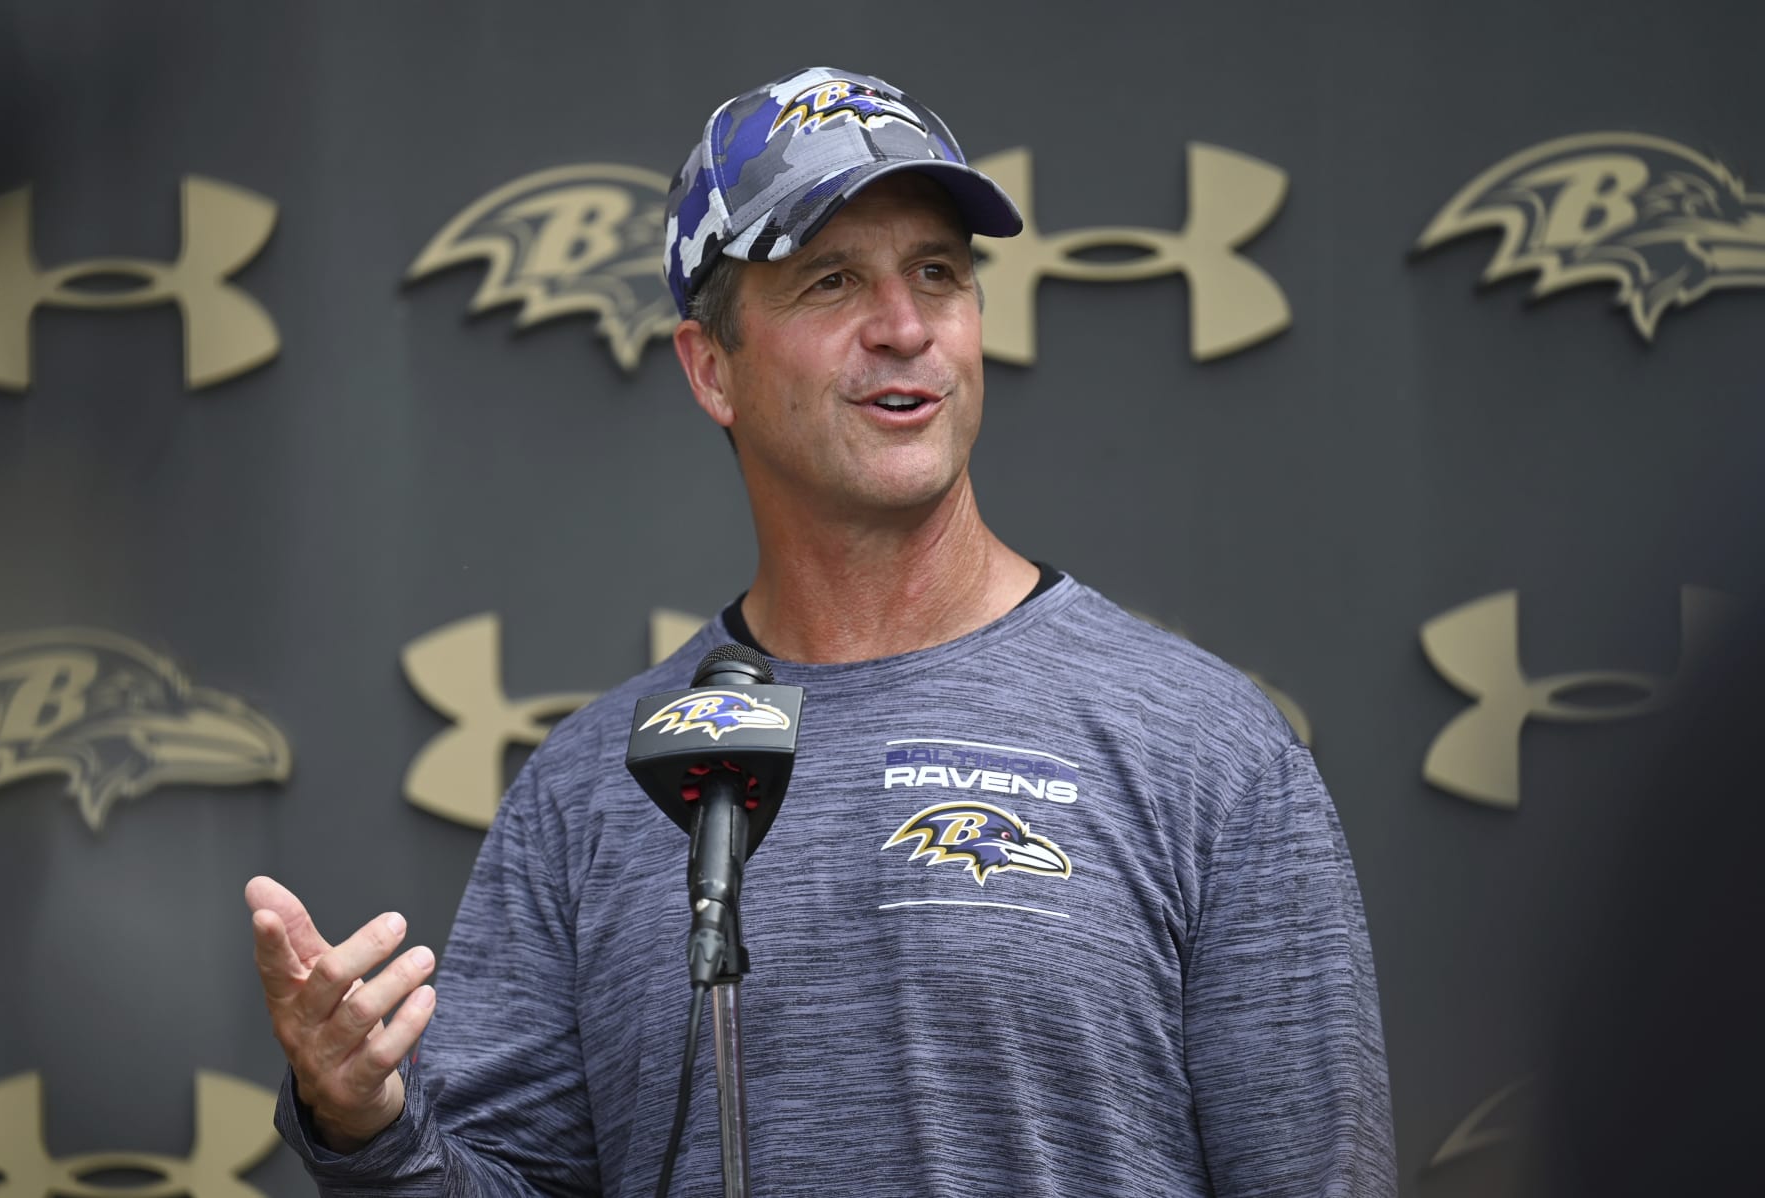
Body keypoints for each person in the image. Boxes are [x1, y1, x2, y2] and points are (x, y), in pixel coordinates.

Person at [248, 67, 1397, 1196]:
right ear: (713, 370)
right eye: (832, 281)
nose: (903, 327)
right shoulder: (591, 789)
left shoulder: (1205, 748)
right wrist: (368, 1127)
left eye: (937, 273)